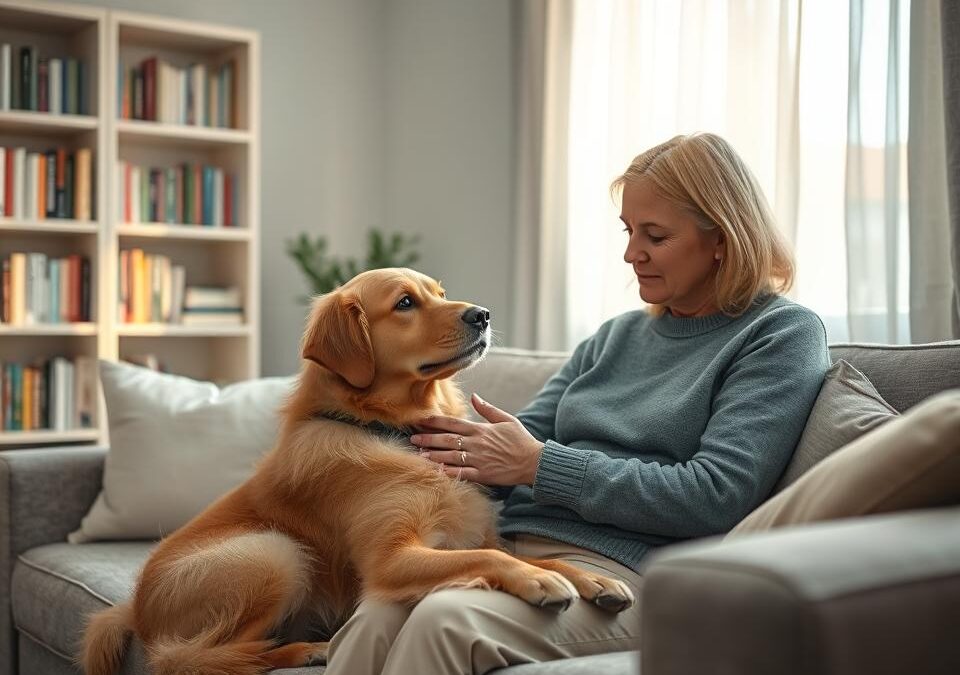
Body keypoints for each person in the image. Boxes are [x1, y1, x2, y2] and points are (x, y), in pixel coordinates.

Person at [324, 132, 830, 674]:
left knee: (446, 620)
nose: (631, 253)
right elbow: (508, 445)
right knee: (376, 616)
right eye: (629, 231)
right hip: (513, 545)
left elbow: (716, 494)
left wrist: (540, 464)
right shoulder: (615, 337)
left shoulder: (779, 335)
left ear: (722, 240)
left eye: (654, 236)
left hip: (629, 569)